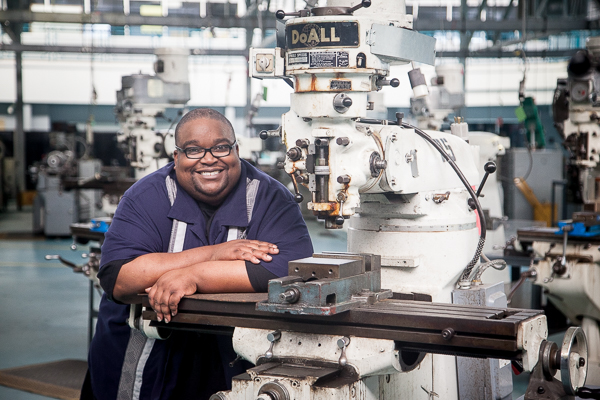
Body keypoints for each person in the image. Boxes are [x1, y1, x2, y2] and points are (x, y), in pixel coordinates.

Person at [82, 108, 314, 400]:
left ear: (237, 150)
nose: (208, 159)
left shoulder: (269, 197)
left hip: (233, 355)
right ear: (176, 157)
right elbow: (120, 278)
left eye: (220, 147)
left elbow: (288, 269)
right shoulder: (145, 196)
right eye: (193, 150)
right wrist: (214, 255)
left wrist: (193, 275)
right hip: (148, 355)